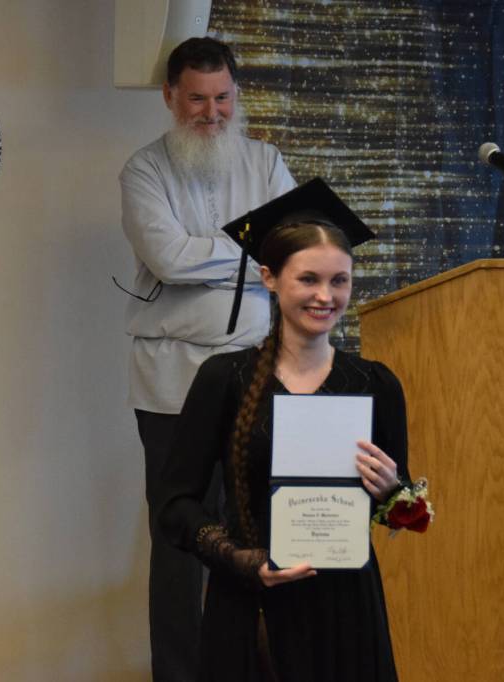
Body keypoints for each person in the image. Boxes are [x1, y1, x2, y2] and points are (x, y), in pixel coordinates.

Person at [157, 180, 408, 681]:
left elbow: (399, 513)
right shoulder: (224, 379)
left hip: (347, 610)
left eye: (340, 280)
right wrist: (243, 561)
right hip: (250, 605)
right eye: (308, 279)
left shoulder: (375, 383)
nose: (325, 295)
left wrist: (392, 491)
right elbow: (175, 504)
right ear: (270, 278)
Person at [119, 36, 296, 680]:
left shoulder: (267, 162)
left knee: (254, 529)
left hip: (254, 378)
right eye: (196, 98)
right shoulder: (143, 171)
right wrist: (253, 259)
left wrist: (216, 257)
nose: (211, 112)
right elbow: (167, 258)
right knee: (179, 541)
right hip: (169, 381)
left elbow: (294, 253)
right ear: (170, 97)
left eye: (223, 98)